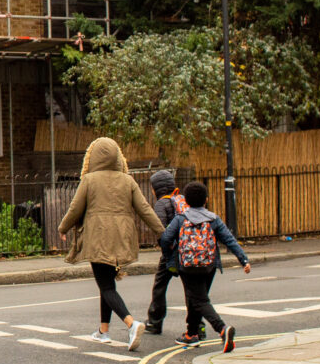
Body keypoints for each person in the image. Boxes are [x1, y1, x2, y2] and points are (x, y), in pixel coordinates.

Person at [58, 137, 165, 351]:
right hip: (122, 237)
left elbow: (75, 208)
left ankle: (131, 323)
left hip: (98, 237)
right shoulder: (128, 181)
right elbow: (145, 209)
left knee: (105, 285)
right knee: (107, 283)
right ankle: (103, 331)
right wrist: (163, 232)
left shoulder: (89, 179)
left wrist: (63, 228)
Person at [158, 181, 249, 351]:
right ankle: (191, 334)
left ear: (187, 201)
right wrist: (243, 260)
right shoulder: (213, 219)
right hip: (209, 265)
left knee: (199, 300)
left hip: (187, 265)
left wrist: (169, 254)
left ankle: (222, 329)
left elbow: (165, 238)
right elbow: (229, 239)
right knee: (197, 298)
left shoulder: (180, 218)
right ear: (206, 200)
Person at [144, 170, 188, 338]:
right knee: (190, 289)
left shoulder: (161, 204)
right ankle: (197, 325)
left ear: (156, 189)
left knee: (160, 286)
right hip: (186, 250)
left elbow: (160, 229)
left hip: (171, 252)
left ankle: (155, 322)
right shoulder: (181, 200)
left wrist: (165, 249)